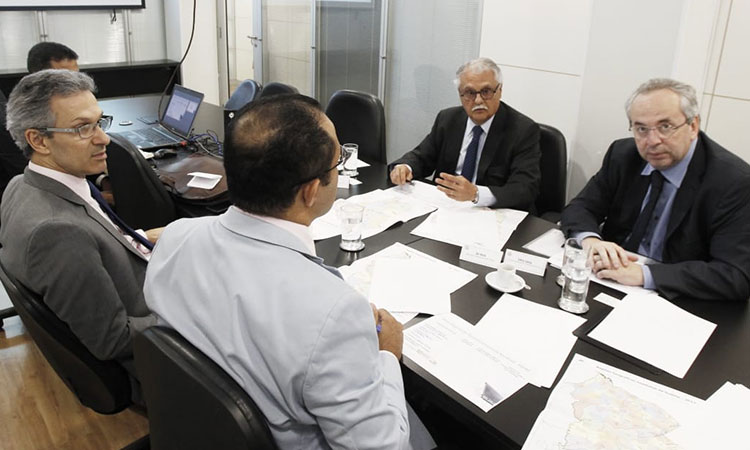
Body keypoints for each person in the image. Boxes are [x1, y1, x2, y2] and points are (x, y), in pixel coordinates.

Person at [144, 94, 434, 450]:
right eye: (337, 161)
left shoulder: (174, 239)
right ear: (311, 191)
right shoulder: (334, 313)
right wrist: (388, 354)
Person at [0, 70, 159, 402]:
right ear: (38, 140)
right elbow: (114, 339)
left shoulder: (23, 184)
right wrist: (196, 313)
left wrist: (143, 237)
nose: (104, 139)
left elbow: (92, 242)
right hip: (156, 361)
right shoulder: (57, 234)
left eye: (99, 122)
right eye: (82, 128)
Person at [561, 78, 750, 301]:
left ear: (693, 126)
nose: (652, 141)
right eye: (641, 129)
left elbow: (734, 275)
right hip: (608, 282)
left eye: (665, 127)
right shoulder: (623, 154)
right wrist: (591, 242)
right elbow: (581, 206)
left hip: (677, 297)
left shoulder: (733, 181)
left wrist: (644, 274)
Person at [389, 57, 541, 211]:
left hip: (493, 215)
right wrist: (405, 167)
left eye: (486, 91)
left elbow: (525, 188)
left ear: (499, 91)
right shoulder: (448, 119)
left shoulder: (523, 130)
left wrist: (476, 194)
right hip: (446, 209)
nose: (478, 100)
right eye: (469, 93)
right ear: (460, 94)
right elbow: (422, 156)